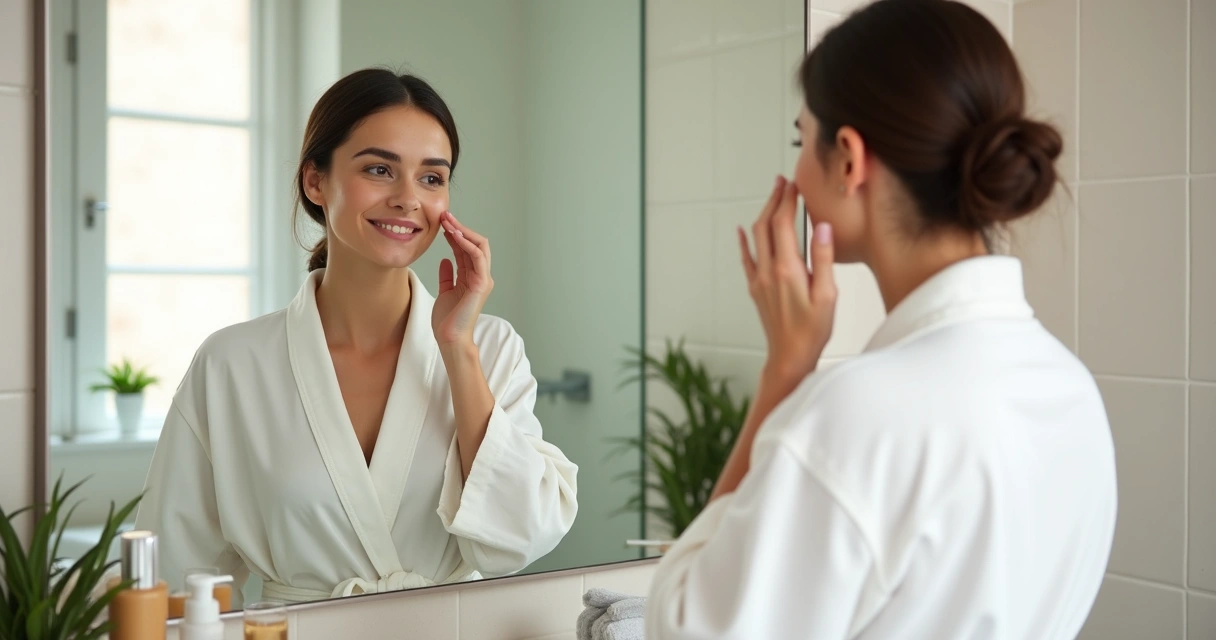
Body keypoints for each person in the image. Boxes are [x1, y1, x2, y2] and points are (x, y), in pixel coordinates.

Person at [645, 1, 1116, 638]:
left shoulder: (857, 415)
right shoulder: (1072, 391)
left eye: (799, 140)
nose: (795, 175)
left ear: (847, 158)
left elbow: (684, 626)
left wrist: (786, 373)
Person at [134, 68, 578, 604]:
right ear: (315, 181)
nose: (408, 198)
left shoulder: (492, 348)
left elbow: (520, 539)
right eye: (379, 169)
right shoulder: (232, 363)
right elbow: (177, 580)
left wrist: (458, 349)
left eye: (432, 178)